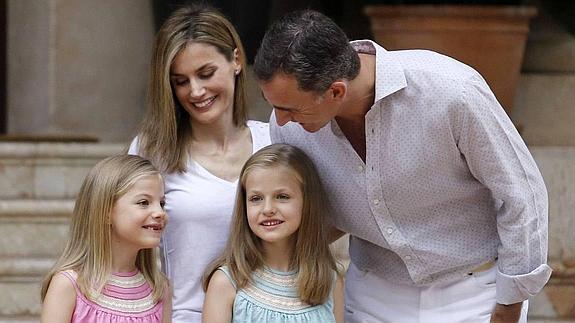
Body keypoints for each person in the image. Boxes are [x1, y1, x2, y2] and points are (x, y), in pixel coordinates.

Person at [253, 9, 551, 323]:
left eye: (289, 108)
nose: (280, 119)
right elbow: (314, 215)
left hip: (475, 293)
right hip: (371, 295)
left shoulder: (452, 91)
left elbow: (520, 194)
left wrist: (509, 304)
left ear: (336, 91)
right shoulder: (287, 126)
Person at [128, 4, 270, 322]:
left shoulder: (274, 141)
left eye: (206, 74)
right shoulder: (154, 150)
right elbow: (122, 248)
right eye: (180, 81)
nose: (196, 91)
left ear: (236, 60)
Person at [201, 143, 344, 323]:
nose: (267, 209)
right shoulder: (227, 282)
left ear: (307, 202)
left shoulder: (330, 282)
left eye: (282, 196)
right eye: (256, 198)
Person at [40, 155, 171, 322]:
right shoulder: (68, 285)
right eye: (144, 202)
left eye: (162, 203)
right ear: (105, 212)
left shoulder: (159, 289)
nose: (160, 213)